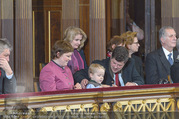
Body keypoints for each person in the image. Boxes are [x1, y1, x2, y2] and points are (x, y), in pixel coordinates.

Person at [74, 46, 144, 89]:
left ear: (125, 63)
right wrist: (83, 79)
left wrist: (134, 84)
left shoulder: (130, 64)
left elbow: (140, 81)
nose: (116, 67)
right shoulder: (100, 65)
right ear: (110, 57)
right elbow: (78, 74)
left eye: (119, 65)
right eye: (114, 63)